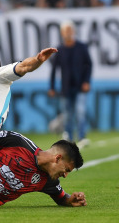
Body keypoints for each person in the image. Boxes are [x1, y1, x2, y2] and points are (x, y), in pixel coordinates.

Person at [48, 20, 92, 149]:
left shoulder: (81, 47)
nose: (68, 33)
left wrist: (86, 81)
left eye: (69, 30)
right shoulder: (60, 49)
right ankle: (68, 136)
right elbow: (54, 69)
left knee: (80, 112)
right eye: (65, 31)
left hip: (80, 87)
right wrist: (51, 87)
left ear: (73, 31)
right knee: (67, 114)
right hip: (65, 87)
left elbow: (89, 65)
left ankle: (82, 136)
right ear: (62, 33)